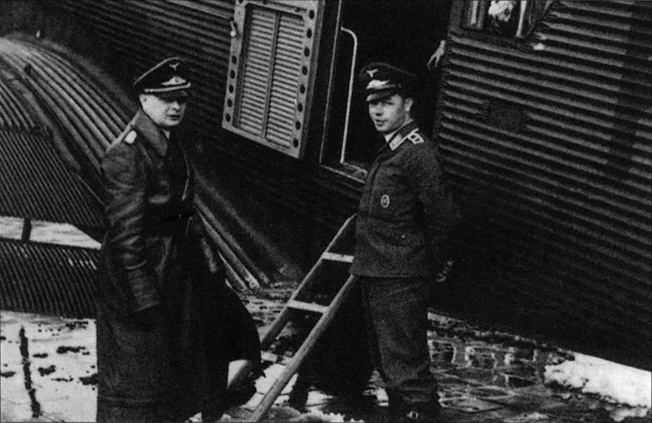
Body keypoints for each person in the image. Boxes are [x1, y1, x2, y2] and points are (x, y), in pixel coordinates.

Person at [96, 57, 259, 422]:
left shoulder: (171, 145)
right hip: (140, 273)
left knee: (201, 356)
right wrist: (143, 298)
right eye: (166, 98)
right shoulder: (127, 152)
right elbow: (125, 237)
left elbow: (188, 216)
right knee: (139, 379)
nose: (175, 107)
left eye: (182, 99)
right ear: (143, 99)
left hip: (174, 266)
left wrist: (213, 273)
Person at [350, 62, 460, 422]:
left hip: (400, 276)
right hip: (378, 272)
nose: (378, 111)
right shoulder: (392, 150)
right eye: (372, 103)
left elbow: (443, 216)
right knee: (390, 366)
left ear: (408, 104)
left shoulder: (417, 153)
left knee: (408, 372)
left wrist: (434, 263)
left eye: (387, 101)